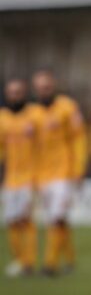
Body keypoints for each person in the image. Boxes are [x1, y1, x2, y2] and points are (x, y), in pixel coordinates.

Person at [32, 69, 87, 276]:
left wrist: (79, 168)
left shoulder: (67, 107)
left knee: (56, 217)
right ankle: (70, 259)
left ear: (53, 85)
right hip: (42, 175)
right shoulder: (33, 113)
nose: (43, 91)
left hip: (63, 172)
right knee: (56, 219)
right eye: (39, 88)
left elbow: (79, 139)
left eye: (46, 86)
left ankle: (50, 264)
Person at [0, 78, 40, 277]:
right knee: (11, 221)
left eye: (18, 92)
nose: (15, 96)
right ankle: (19, 259)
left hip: (29, 178)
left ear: (24, 93)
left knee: (26, 219)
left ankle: (29, 262)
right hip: (10, 178)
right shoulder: (3, 118)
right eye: (11, 92)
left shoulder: (34, 115)